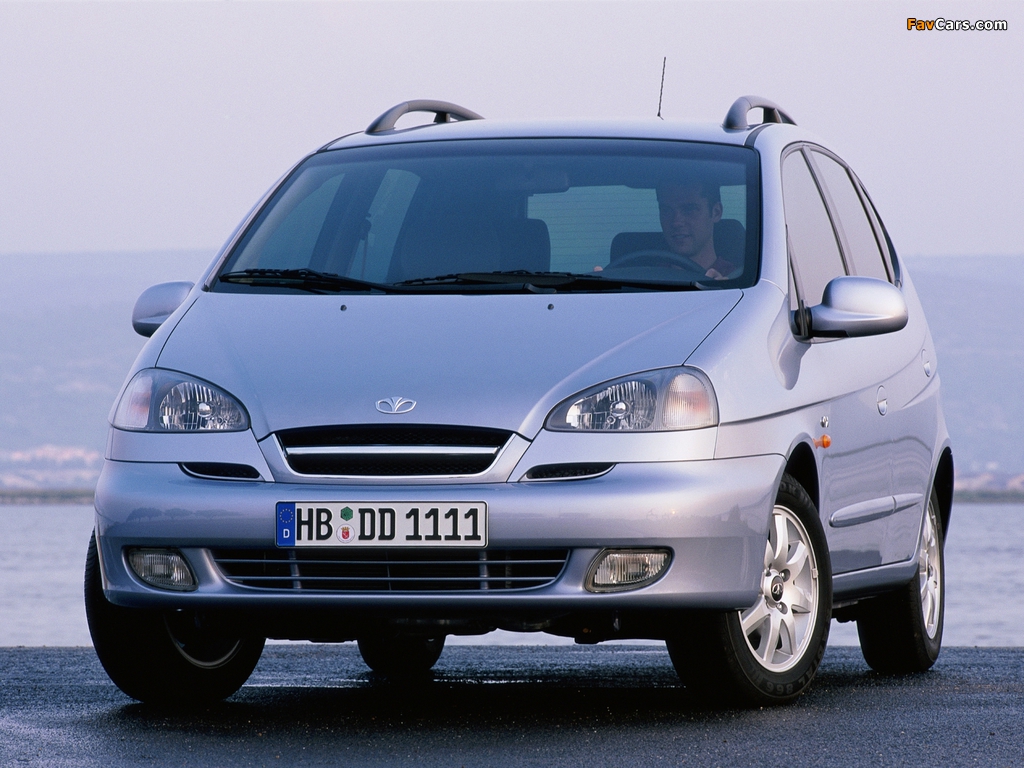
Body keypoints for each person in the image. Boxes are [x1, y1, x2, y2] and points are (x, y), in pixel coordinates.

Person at [656, 178, 736, 280]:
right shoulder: (646, 277)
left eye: (689, 209)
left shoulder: (740, 280)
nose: (676, 223)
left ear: (716, 212)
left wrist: (726, 288)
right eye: (666, 210)